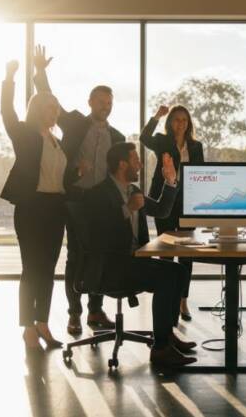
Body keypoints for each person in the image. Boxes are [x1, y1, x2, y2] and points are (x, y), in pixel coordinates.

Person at [81, 142, 197, 367]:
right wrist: (127, 210)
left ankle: (166, 335)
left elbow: (162, 210)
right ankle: (161, 348)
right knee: (166, 278)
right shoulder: (97, 194)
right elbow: (97, 235)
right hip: (110, 266)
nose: (140, 165)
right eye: (136, 160)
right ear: (122, 164)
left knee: (179, 271)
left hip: (134, 262)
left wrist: (171, 181)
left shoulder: (133, 191)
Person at [32, 45, 121, 335]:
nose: (104, 106)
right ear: (91, 102)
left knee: (101, 256)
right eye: (100, 101)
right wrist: (41, 72)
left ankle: (96, 311)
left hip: (103, 205)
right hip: (76, 201)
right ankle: (74, 314)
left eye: (108, 102)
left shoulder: (117, 136)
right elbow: (50, 100)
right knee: (76, 257)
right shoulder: (74, 123)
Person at [0, 59, 66, 350]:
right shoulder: (25, 135)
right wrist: (9, 78)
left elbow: (57, 174)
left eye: (57, 107)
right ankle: (27, 327)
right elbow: (7, 112)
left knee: (49, 269)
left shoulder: (55, 139)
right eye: (52, 108)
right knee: (32, 269)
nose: (56, 112)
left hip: (55, 208)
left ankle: (43, 323)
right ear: (40, 109)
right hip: (31, 208)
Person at [140, 104, 205, 321]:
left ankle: (182, 301)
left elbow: (200, 173)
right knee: (166, 251)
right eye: (176, 119)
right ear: (170, 122)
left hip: (188, 203)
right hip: (164, 200)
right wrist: (156, 116)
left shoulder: (196, 146)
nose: (181, 124)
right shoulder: (161, 141)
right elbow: (143, 137)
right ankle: (166, 299)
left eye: (184, 120)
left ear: (189, 123)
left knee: (187, 253)